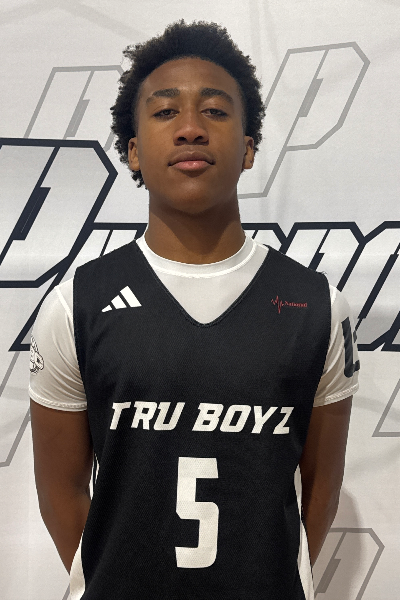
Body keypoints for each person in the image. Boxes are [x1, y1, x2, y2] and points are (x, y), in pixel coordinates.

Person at [29, 20, 360, 600]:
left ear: (248, 148)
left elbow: (321, 489)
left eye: (214, 111)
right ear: (133, 151)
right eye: (164, 112)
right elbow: (60, 491)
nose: (190, 128)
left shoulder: (317, 305)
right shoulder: (76, 302)